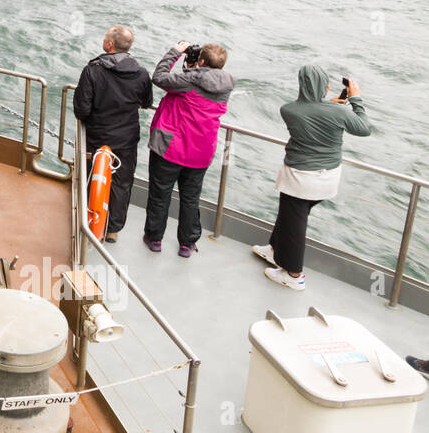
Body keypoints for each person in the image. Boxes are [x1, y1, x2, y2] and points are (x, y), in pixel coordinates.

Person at [253, 67, 371, 291]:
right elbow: (364, 128)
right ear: (323, 87)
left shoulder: (288, 110)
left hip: (299, 178)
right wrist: (355, 98)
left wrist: (333, 105)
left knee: (295, 222)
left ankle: (294, 275)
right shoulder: (340, 113)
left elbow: (312, 113)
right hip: (327, 178)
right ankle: (274, 250)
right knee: (291, 215)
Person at [142, 42, 235, 257]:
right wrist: (194, 67)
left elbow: (159, 77)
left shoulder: (189, 80)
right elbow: (201, 82)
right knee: (190, 198)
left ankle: (154, 238)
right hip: (201, 152)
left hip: (170, 148)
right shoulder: (227, 84)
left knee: (160, 194)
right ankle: (187, 243)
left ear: (201, 61)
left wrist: (175, 52)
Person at [72, 26, 153, 242]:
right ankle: (113, 229)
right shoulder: (142, 73)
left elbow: (81, 109)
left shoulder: (93, 70)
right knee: (121, 183)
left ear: (109, 44)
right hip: (126, 138)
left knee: (91, 177)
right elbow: (147, 102)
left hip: (97, 136)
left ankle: (88, 222)